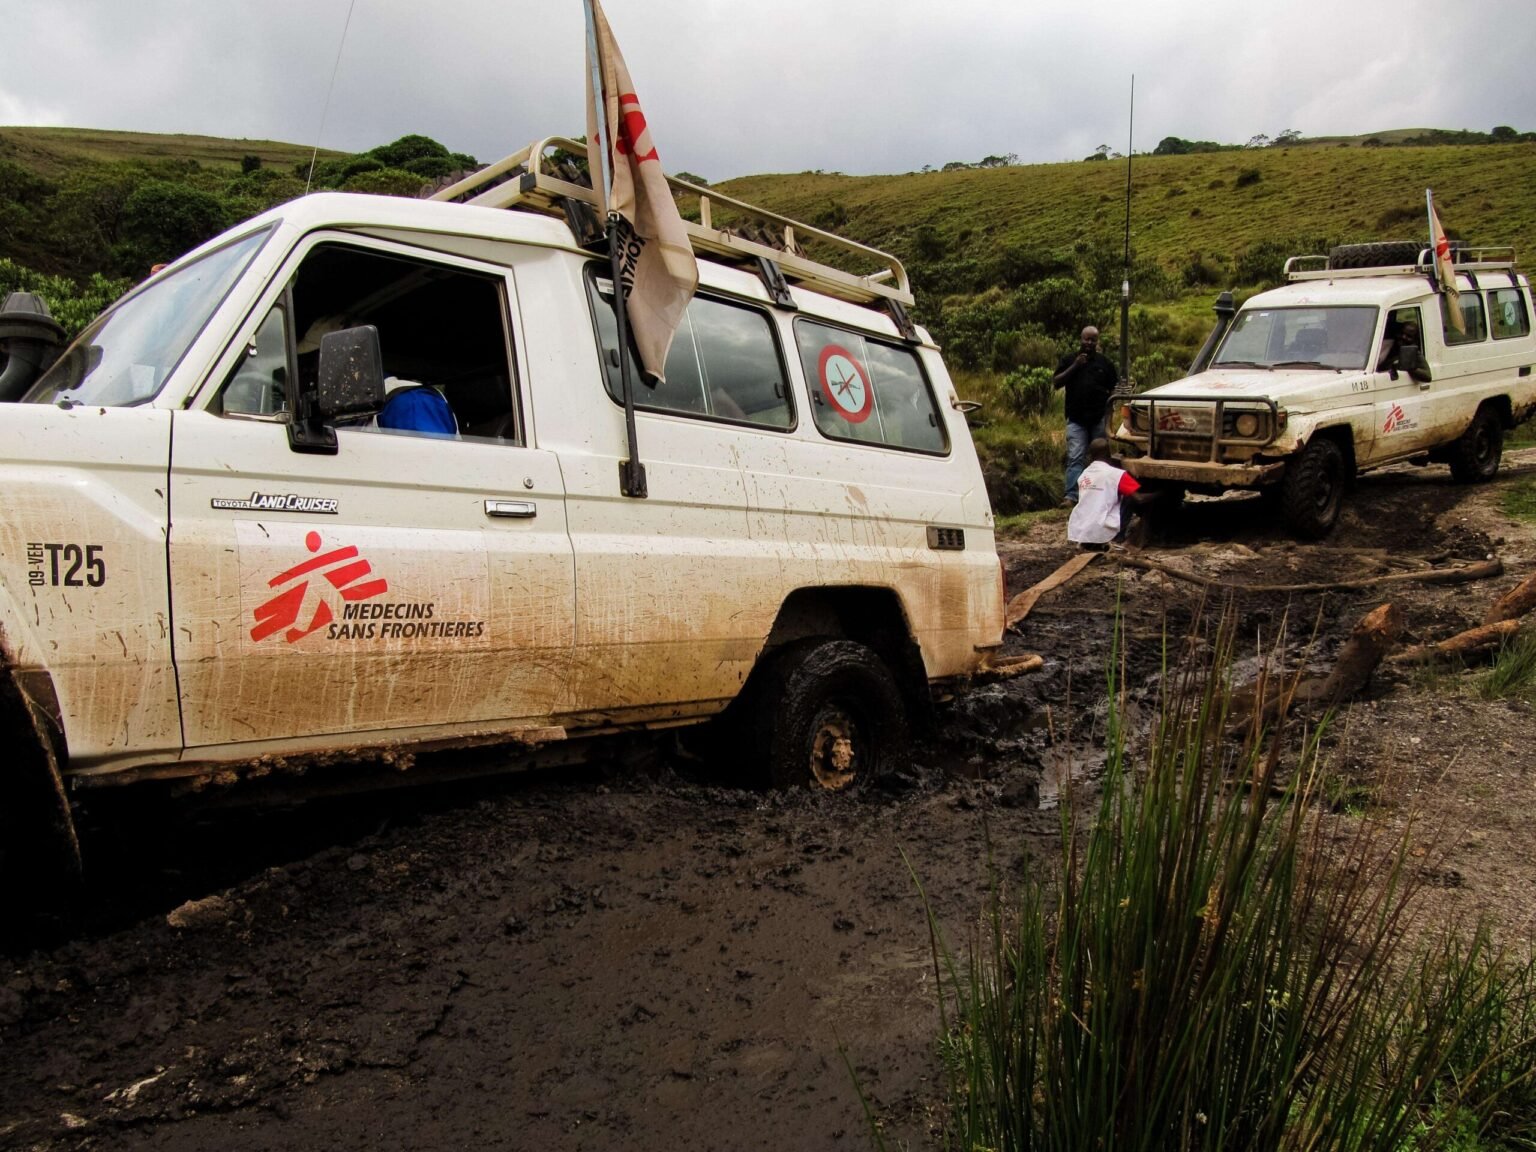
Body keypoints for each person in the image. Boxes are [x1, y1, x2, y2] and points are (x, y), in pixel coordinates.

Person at [1053, 325, 1120, 505]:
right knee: (1075, 456)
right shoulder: (1069, 360)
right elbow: (1057, 382)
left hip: (1098, 418)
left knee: (1100, 458)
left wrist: (1110, 411)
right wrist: (1075, 365)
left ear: (1097, 342)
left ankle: (1099, 493)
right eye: (1086, 339)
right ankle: (1071, 496)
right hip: (1076, 419)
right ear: (1080, 339)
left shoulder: (1105, 363)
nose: (1089, 343)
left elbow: (1114, 387)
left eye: (1093, 340)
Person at [1068, 439, 1151, 548]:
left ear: (1090, 455)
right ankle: (1118, 537)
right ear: (1108, 454)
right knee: (1128, 498)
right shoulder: (1117, 474)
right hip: (1104, 533)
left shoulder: (1084, 474)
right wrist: (1162, 493)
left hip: (1080, 532)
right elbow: (1139, 498)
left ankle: (1090, 541)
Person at [1376, 318, 1432, 383]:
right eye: (1402, 333)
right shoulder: (1389, 345)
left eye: (1409, 336)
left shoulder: (1413, 352)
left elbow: (1428, 376)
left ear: (1415, 340)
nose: (1403, 337)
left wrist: (1408, 367)